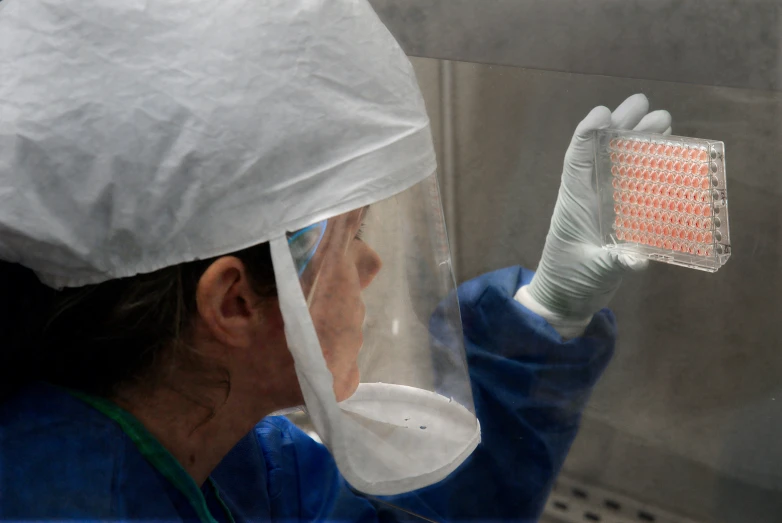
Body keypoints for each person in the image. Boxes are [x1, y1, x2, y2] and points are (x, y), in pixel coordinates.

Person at [0, 0, 672, 521]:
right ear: (232, 302)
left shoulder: (212, 452)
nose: (372, 265)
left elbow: (398, 515)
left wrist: (545, 312)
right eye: (350, 237)